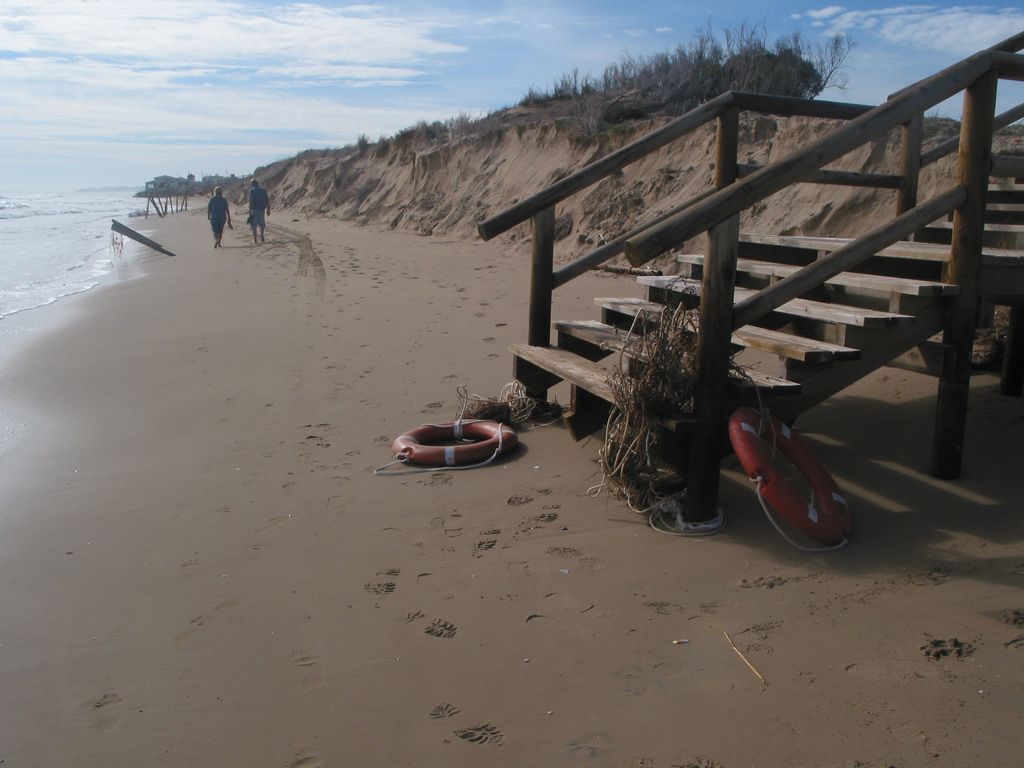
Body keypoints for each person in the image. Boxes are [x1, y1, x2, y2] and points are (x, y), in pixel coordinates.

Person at [248, 178, 271, 243]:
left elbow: (251, 201)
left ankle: (255, 240)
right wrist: (268, 209)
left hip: (254, 210)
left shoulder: (251, 191)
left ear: (253, 184)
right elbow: (267, 200)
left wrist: (249, 210)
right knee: (262, 224)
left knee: (254, 225)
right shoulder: (263, 190)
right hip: (261, 210)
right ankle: (261, 235)